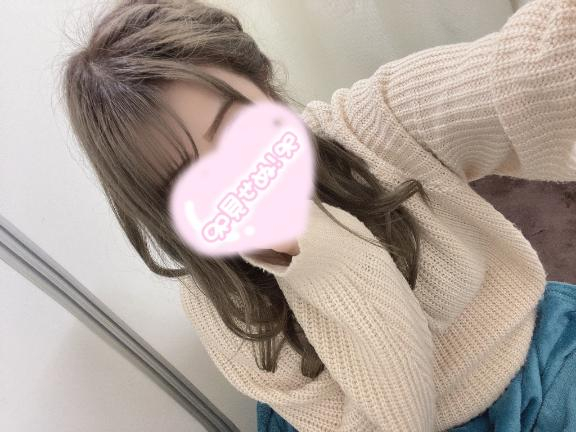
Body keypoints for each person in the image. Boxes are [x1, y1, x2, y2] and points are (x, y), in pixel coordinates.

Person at [60, 0, 576, 430]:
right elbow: (395, 420)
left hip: (528, 361)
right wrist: (319, 256)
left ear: (263, 84)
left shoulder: (376, 125)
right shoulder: (218, 297)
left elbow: (528, 77)